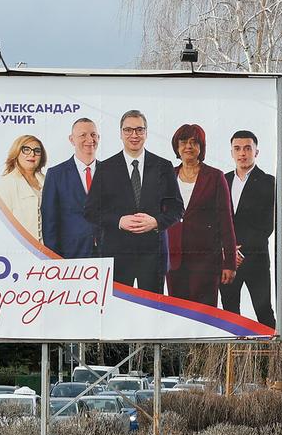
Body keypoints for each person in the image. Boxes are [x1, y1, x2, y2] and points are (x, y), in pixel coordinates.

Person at [84, 110, 181, 293]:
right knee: (117, 308)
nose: (134, 135)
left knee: (152, 309)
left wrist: (156, 222)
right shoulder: (105, 168)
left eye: (139, 130)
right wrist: (119, 221)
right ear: (120, 134)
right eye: (128, 130)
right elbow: (90, 211)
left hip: (153, 256)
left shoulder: (163, 166)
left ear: (146, 133)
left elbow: (177, 209)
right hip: (117, 255)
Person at [165, 124, 237, 306]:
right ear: (177, 146)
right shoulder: (167, 177)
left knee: (204, 316)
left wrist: (229, 263)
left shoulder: (215, 177)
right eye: (183, 142)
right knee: (177, 315)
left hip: (206, 262)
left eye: (194, 142)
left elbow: (226, 222)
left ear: (201, 147)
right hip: (174, 261)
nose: (188, 146)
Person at [219, 130, 277, 328]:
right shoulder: (221, 180)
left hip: (256, 259)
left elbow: (267, 224)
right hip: (226, 262)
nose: (242, 153)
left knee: (264, 312)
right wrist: (226, 251)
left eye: (247, 148)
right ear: (232, 152)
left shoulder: (269, 183)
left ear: (256, 152)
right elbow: (213, 220)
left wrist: (241, 252)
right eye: (237, 148)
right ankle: (233, 350)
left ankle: (273, 349)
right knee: (229, 314)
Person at [41, 118, 101, 259]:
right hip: (71, 256)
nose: (89, 139)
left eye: (93, 134)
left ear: (98, 138)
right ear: (72, 140)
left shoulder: (111, 172)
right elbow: (49, 222)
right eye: (83, 135)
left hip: (107, 256)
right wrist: (55, 260)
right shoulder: (56, 175)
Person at [0, 135, 47, 240]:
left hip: (48, 247)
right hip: (21, 246)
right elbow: (2, 225)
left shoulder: (48, 180)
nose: (32, 154)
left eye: (37, 151)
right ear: (16, 153)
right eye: (26, 150)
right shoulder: (7, 183)